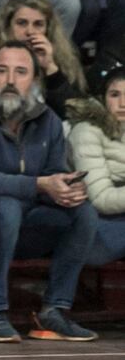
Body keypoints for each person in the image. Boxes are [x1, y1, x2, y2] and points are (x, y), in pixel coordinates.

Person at [0, 41, 98, 342]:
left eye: (20, 72)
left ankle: (55, 310)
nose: (10, 80)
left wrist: (64, 188)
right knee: (5, 206)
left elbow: (50, 175)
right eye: (1, 71)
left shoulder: (49, 121)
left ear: (34, 80)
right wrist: (40, 185)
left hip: (30, 223)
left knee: (84, 213)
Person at [0, 0, 87, 119]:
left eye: (38, 24)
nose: (30, 31)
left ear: (48, 29)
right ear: (7, 25)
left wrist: (51, 69)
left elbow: (76, 115)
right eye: (22, 23)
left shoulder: (59, 58)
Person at [66, 67, 125, 265]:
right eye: (115, 95)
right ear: (102, 98)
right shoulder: (87, 131)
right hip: (99, 227)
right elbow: (100, 198)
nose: (123, 103)